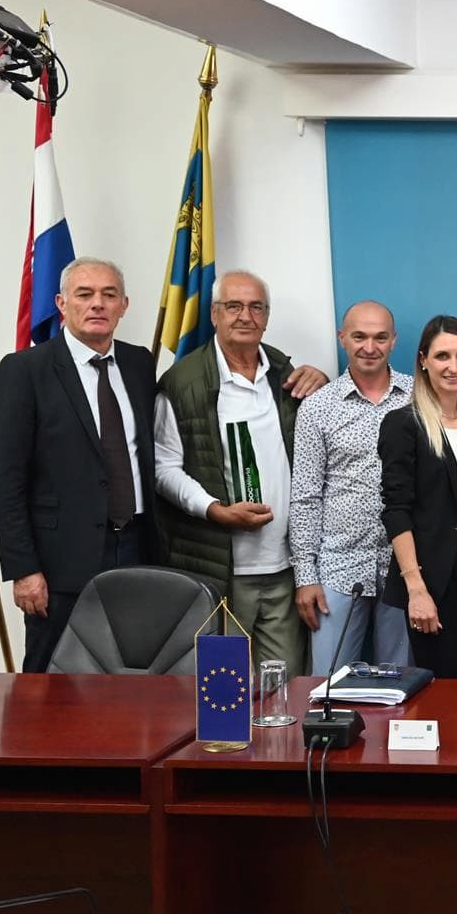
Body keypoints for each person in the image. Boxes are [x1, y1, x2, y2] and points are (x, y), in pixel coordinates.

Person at [0, 258, 158, 672]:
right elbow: (7, 482)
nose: (98, 303)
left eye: (109, 295)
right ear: (62, 304)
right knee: (51, 682)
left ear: (124, 306)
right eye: (85, 294)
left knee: (133, 676)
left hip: (136, 549)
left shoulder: (139, 364)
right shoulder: (24, 370)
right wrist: (24, 569)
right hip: (58, 562)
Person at [155, 270, 327, 675]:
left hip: (285, 569)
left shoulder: (286, 375)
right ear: (214, 314)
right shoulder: (182, 382)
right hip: (219, 573)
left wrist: (323, 380)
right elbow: (163, 469)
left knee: (285, 688)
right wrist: (214, 509)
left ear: (266, 317)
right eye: (233, 306)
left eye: (256, 307)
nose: (245, 316)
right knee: (224, 691)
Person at [289, 300, 413, 676]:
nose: (369, 347)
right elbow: (306, 495)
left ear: (394, 341)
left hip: (404, 567)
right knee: (328, 685)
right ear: (342, 338)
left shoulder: (419, 397)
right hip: (338, 567)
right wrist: (305, 576)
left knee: (401, 683)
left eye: (380, 338)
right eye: (359, 337)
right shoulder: (317, 407)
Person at [379, 316, 457, 679]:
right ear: (423, 360)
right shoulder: (404, 424)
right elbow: (396, 510)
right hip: (434, 575)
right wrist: (416, 589)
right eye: (442, 356)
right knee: (444, 687)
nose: (454, 367)